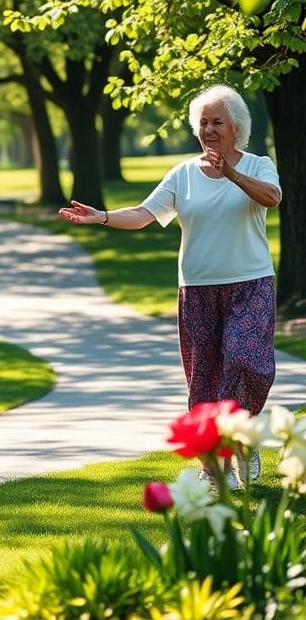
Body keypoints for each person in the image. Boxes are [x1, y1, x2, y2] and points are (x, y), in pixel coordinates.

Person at [59, 85, 282, 489]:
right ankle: (213, 468)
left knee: (245, 362)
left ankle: (243, 442)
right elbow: (145, 214)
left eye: (218, 122)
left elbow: (271, 198)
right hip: (197, 289)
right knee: (204, 379)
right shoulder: (183, 174)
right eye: (203, 122)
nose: (209, 129)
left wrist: (229, 172)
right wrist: (103, 217)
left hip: (250, 284)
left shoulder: (258, 165)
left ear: (236, 128)